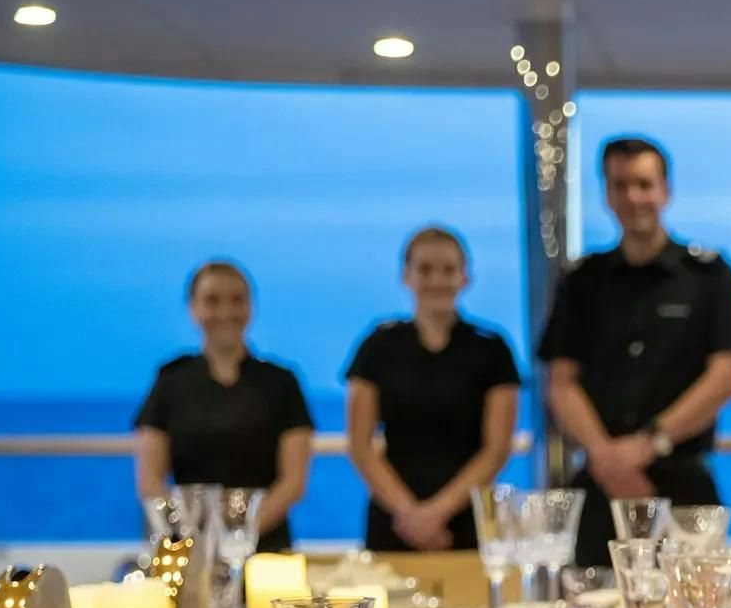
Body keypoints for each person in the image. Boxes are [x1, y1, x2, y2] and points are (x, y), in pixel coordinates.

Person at [539, 136, 731, 566]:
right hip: (600, 485)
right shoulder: (582, 281)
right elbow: (561, 383)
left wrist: (647, 444)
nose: (633, 196)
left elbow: (724, 377)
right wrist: (607, 458)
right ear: (606, 192)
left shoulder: (709, 275)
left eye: (643, 184)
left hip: (683, 483)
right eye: (620, 185)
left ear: (665, 191)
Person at [344, 227, 522, 552]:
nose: (437, 280)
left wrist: (436, 513)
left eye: (448, 270)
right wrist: (409, 513)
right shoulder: (377, 347)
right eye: (425, 270)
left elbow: (496, 449)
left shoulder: (492, 350)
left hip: (468, 518)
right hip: (393, 517)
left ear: (465, 277)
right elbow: (360, 446)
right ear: (406, 276)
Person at [134, 260, 312, 551]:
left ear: (250, 307)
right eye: (212, 300)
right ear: (193, 308)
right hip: (189, 550)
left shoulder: (281, 382)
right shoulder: (171, 380)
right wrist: (194, 536)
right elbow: (149, 479)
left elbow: (293, 481)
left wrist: (237, 537)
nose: (226, 311)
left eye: (237, 300)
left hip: (266, 551)